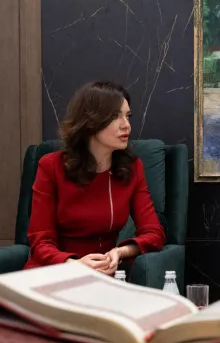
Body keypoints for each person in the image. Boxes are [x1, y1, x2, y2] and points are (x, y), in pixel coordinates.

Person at [24, 81, 165, 274]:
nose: (126, 125)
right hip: (54, 272)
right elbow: (40, 242)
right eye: (115, 116)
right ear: (90, 121)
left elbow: (154, 234)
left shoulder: (132, 168)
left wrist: (120, 252)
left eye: (128, 116)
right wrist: (75, 264)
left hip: (102, 273)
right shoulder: (51, 166)